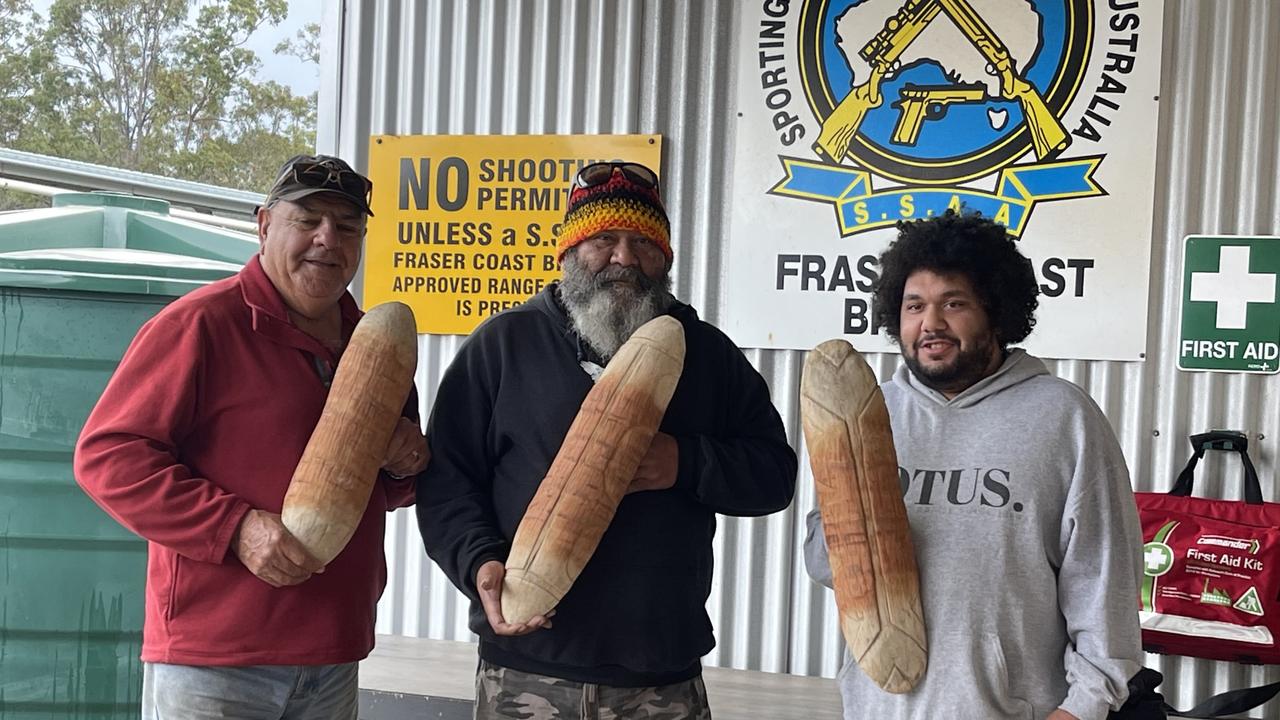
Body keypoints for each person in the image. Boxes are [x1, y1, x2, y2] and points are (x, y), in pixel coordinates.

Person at [417, 161, 798, 719]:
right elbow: (446, 480)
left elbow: (774, 476)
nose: (624, 258)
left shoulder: (709, 355)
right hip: (527, 664)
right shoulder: (505, 344)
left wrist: (685, 462)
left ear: (665, 258)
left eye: (643, 241)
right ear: (568, 254)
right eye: (604, 239)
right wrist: (478, 563)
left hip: (659, 671)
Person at [74, 154, 429, 719]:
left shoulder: (374, 344)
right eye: (307, 219)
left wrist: (405, 462)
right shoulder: (201, 324)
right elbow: (109, 457)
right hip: (215, 662)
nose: (327, 239)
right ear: (264, 225)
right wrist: (234, 527)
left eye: (348, 226)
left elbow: (386, 494)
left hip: (333, 652)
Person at [804, 211, 1143, 720]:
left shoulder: (1063, 417)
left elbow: (1104, 578)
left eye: (953, 304)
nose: (930, 323)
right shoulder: (873, 413)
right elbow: (823, 561)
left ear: (996, 312)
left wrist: (1083, 709)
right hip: (877, 707)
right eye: (914, 306)